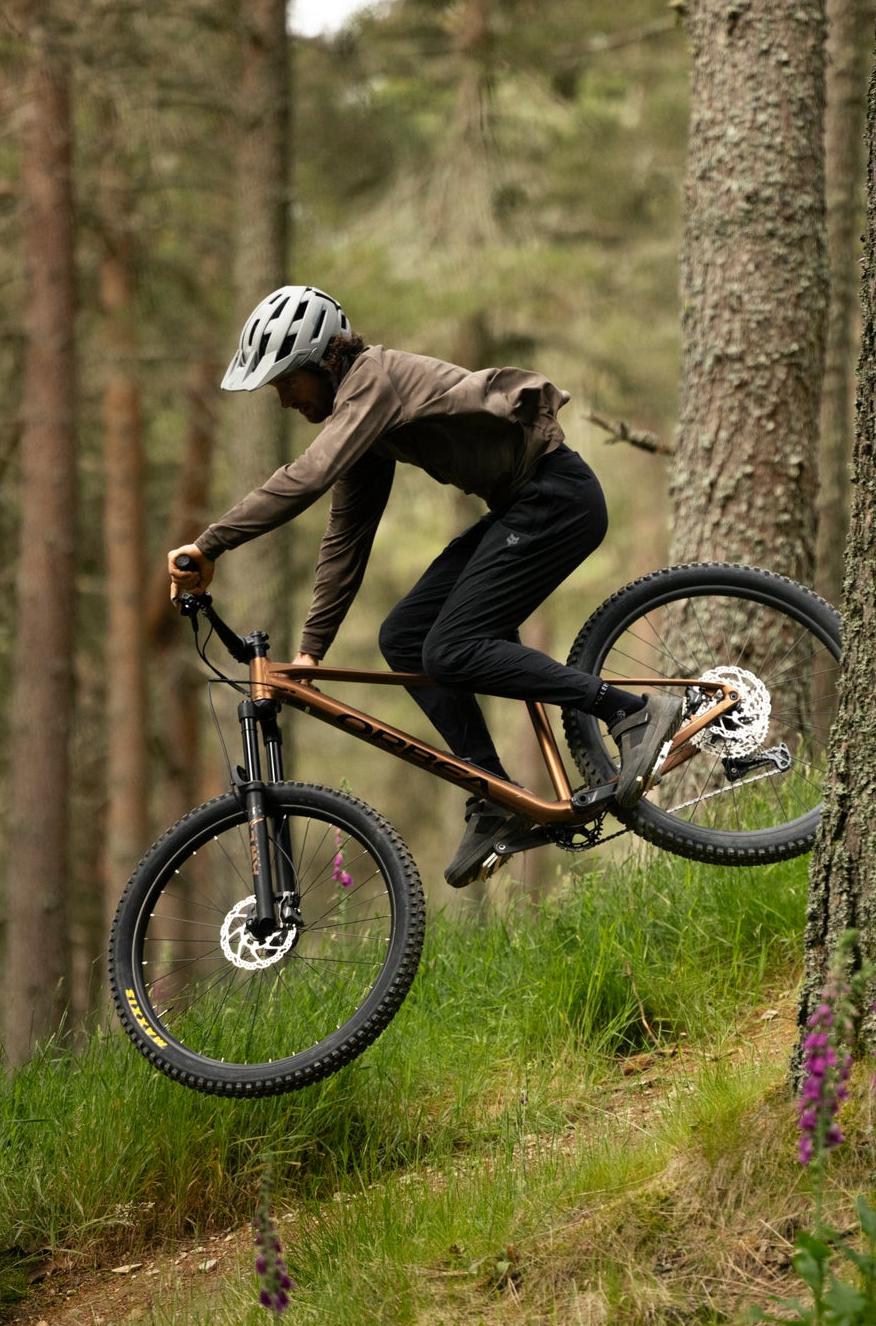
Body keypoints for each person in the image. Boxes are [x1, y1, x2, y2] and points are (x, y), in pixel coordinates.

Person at [166, 285, 684, 887]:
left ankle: (632, 712)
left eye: (285, 383)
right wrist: (312, 650)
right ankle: (493, 796)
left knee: (451, 648)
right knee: (407, 637)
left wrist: (209, 543)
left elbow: (306, 477)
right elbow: (346, 535)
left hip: (557, 498)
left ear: (319, 362)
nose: (282, 400)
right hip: (523, 506)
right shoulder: (364, 421)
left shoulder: (372, 381)